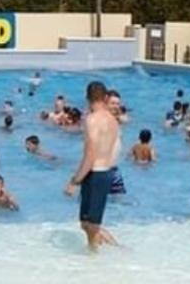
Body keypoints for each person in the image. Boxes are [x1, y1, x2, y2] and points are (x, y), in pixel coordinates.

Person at [64, 81, 120, 251]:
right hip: (107, 171)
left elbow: (90, 154)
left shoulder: (92, 120)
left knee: (92, 224)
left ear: (87, 98)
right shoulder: (113, 120)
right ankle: (108, 247)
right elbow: (115, 149)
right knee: (86, 223)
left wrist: (75, 181)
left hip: (95, 173)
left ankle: (94, 257)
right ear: (105, 97)